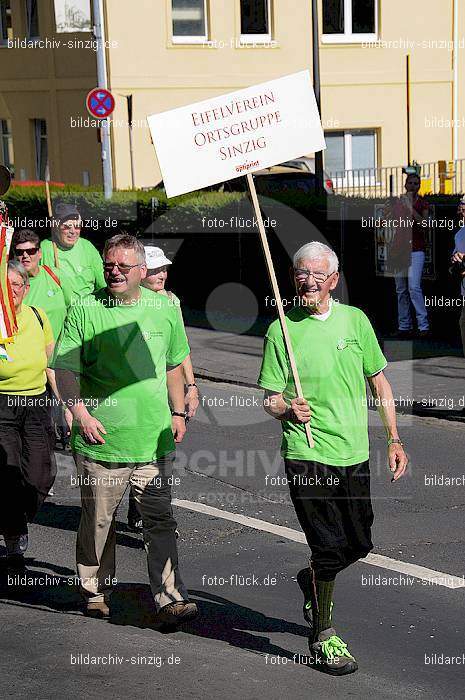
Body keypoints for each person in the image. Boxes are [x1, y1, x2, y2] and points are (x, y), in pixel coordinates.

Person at [258, 241, 408, 675]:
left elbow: (379, 383)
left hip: (353, 452)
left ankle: (313, 580)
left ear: (333, 281)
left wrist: (394, 440)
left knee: (359, 542)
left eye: (316, 276)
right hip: (307, 452)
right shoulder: (281, 330)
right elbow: (268, 399)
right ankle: (323, 635)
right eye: (300, 275)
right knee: (327, 546)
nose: (307, 282)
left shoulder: (355, 321)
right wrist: (286, 408)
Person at [53, 233, 198, 625]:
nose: (114, 271)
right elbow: (66, 367)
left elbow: (172, 364)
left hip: (153, 440)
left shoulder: (164, 308)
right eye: (109, 266)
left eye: (122, 266)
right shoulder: (86, 309)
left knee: (160, 520)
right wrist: (79, 413)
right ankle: (96, 589)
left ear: (142, 271)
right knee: (99, 521)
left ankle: (170, 597)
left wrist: (179, 411)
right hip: (102, 439)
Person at [126, 245, 199, 532]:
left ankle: (151, 511)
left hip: (169, 387)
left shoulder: (172, 302)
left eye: (164, 269)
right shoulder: (130, 302)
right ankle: (145, 507)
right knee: (141, 449)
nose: (161, 275)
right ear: (141, 272)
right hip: (141, 389)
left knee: (162, 450)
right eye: (155, 270)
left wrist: (191, 386)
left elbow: (180, 351)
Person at [0, 261, 57, 568]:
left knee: (41, 474)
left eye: (18, 285)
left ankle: (12, 519)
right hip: (2, 406)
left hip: (36, 404)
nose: (13, 291)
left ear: (27, 288)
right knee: (8, 473)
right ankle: (13, 540)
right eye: (6, 285)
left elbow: (51, 365)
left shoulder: (38, 316)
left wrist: (71, 407)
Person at [385, 173, 430, 338]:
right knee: (401, 290)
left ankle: (423, 326)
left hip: (416, 249)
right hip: (399, 250)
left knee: (414, 287)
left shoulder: (422, 203)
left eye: (416, 183)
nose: (413, 186)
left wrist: (410, 208)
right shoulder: (397, 202)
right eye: (410, 183)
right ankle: (404, 326)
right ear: (405, 185)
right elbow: (386, 220)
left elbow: (424, 225)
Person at [40, 203, 105, 303]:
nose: (73, 231)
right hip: (59, 308)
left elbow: (103, 283)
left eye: (77, 226)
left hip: (87, 308)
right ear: (56, 227)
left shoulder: (87, 247)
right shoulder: (45, 248)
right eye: (67, 227)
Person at [12, 229, 68, 341]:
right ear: (14, 255)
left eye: (31, 251)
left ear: (40, 253)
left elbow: (73, 307)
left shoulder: (55, 275)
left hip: (63, 352)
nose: (25, 256)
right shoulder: (11, 286)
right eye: (20, 252)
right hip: (33, 353)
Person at [451, 196, 465, 357]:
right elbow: (454, 263)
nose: (461, 212)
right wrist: (455, 261)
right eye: (461, 208)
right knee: (463, 322)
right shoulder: (459, 234)